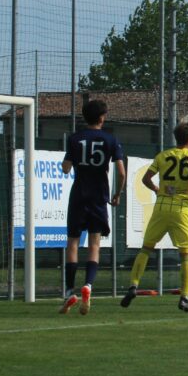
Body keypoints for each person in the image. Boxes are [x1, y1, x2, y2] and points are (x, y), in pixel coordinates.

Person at [121, 122, 188, 313]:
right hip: (182, 210)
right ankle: (184, 297)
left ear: (176, 138)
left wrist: (157, 189)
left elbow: (145, 179)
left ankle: (133, 285)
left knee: (145, 249)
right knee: (186, 256)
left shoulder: (162, 156)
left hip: (161, 207)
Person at [60, 99, 126, 315]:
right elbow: (122, 171)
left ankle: (70, 290)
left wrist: (71, 162)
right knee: (94, 244)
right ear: (102, 117)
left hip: (78, 194)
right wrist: (117, 195)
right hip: (99, 196)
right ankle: (88, 285)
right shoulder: (110, 139)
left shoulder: (75, 139)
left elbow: (66, 168)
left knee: (72, 243)